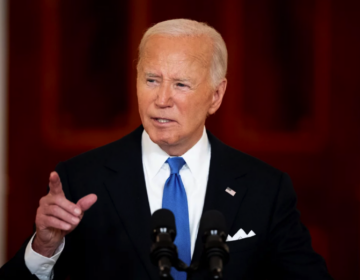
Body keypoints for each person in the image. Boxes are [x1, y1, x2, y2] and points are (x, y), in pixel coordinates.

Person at [0, 19, 332, 280]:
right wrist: (44, 247)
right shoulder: (81, 180)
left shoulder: (265, 188)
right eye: (152, 80)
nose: (161, 100)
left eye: (181, 84)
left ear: (215, 96)